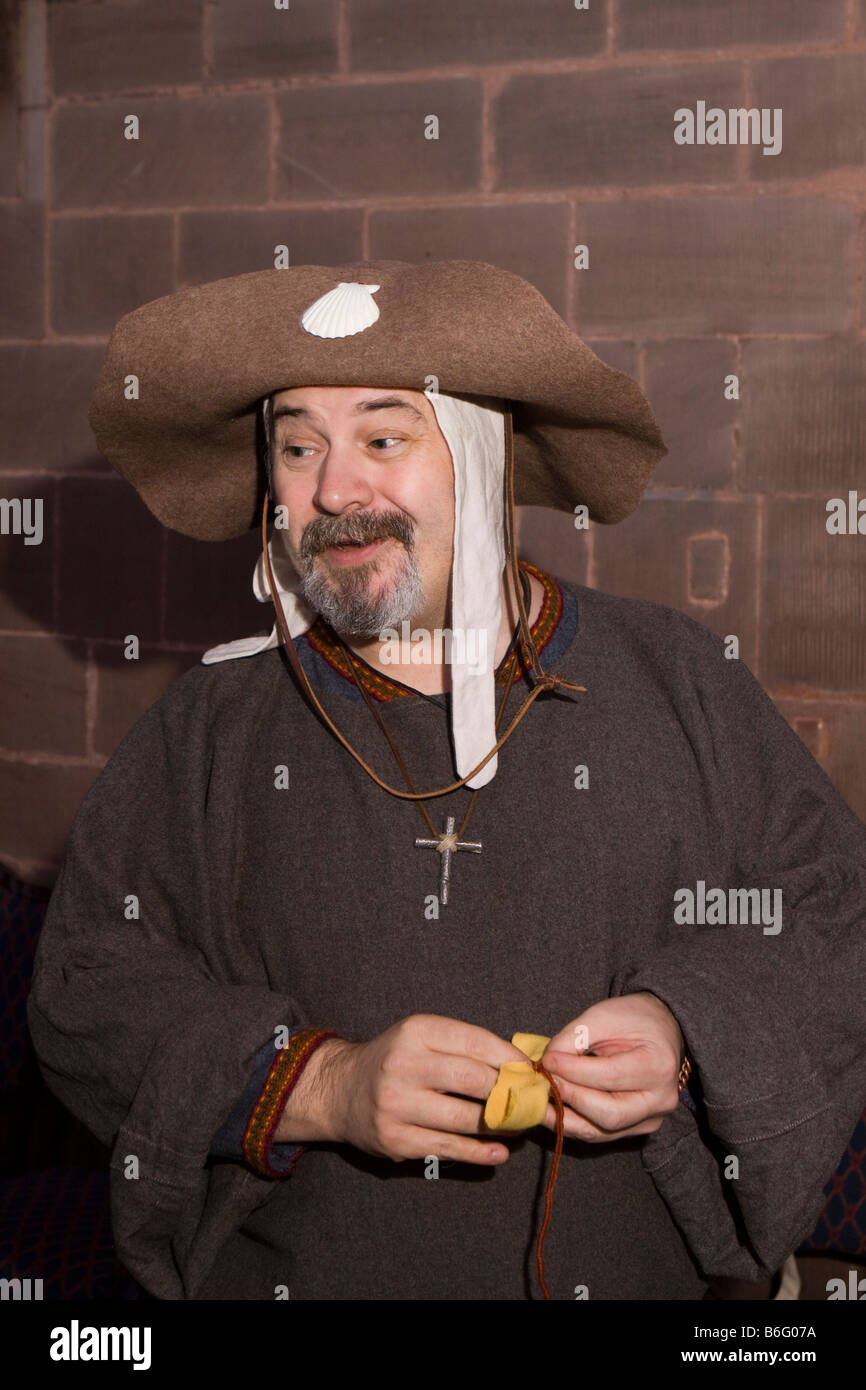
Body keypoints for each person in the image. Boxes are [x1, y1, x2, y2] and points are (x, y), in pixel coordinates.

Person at [27, 260, 866, 1301]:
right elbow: (85, 986)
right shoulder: (205, 729)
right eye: (297, 446)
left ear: (476, 456)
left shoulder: (679, 679)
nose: (333, 489)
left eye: (383, 438)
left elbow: (832, 907)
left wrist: (684, 1027)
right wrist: (317, 1084)